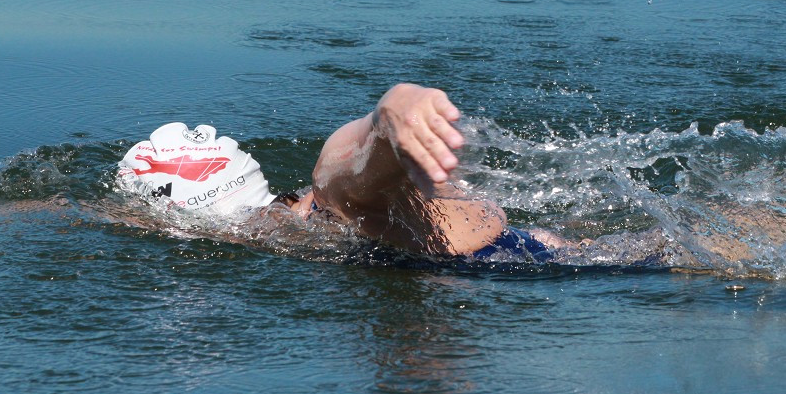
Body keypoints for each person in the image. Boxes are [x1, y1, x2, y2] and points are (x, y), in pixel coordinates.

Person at [118, 83, 562, 260]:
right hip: (551, 258)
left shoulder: (329, 211)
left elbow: (339, 174)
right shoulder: (302, 218)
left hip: (503, 278)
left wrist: (388, 117)